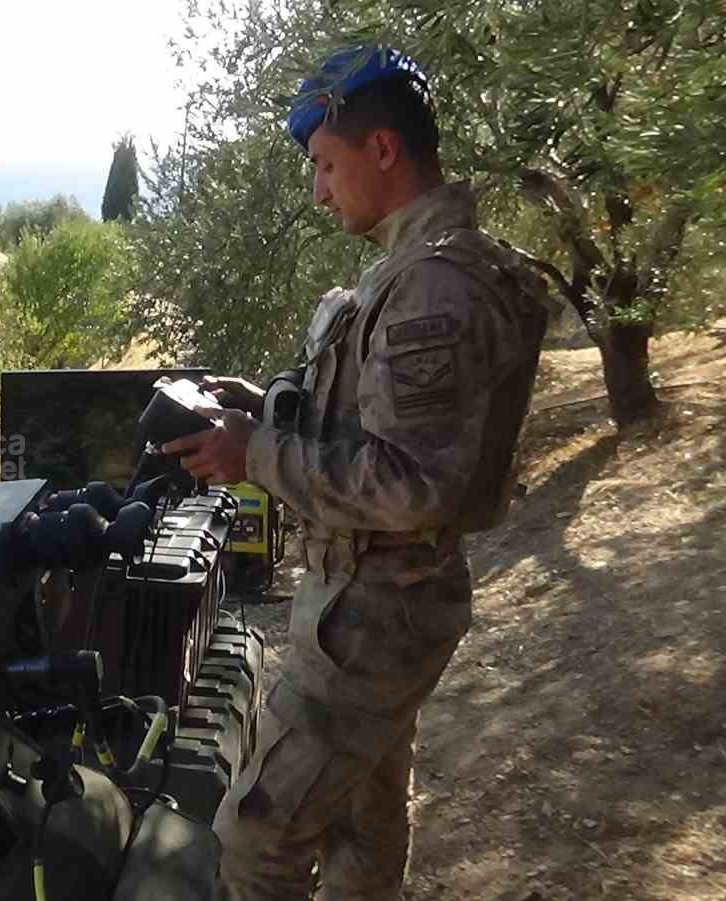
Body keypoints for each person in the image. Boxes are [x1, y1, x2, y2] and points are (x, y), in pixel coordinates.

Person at [161, 46, 551, 900]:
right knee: (361, 820)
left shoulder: (432, 289)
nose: (318, 192)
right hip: (382, 598)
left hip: (373, 613)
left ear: (382, 149)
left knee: (254, 836)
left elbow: (413, 484)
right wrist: (268, 410)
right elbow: (381, 425)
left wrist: (255, 455)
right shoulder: (421, 269)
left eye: (326, 165)